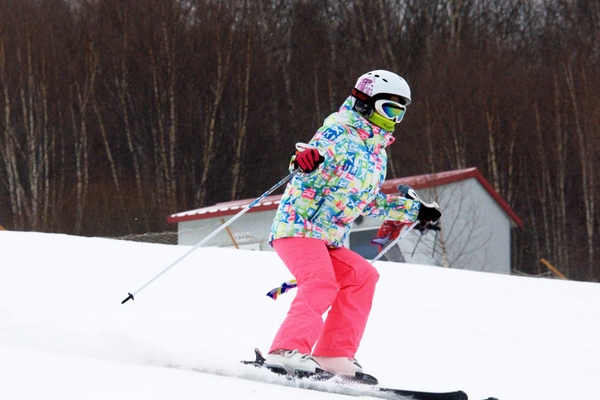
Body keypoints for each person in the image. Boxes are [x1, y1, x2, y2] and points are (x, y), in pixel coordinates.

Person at [265, 70, 441, 379]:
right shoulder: (340, 132)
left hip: (328, 239)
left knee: (363, 276)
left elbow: (367, 202)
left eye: (400, 113)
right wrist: (303, 161)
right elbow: (309, 159)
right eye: (389, 109)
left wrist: (413, 210)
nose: (393, 119)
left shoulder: (377, 155)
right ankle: (285, 352)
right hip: (299, 227)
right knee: (320, 282)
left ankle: (333, 354)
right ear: (364, 102)